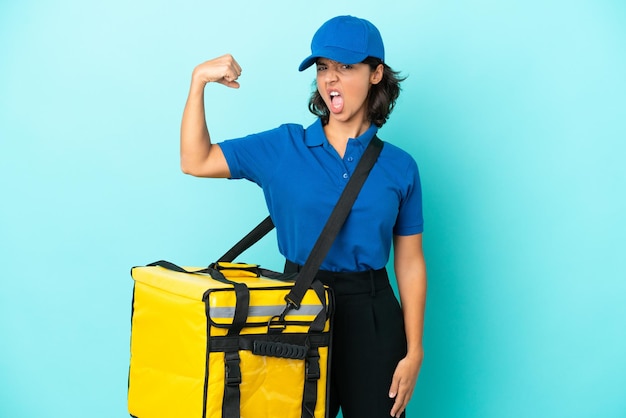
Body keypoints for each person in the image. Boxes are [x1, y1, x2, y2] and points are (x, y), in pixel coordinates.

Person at [180, 15, 426, 418]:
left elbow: (411, 262)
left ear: (376, 73)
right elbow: (196, 159)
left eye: (346, 67)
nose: (331, 79)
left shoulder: (400, 167)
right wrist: (197, 82)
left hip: (374, 315)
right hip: (298, 309)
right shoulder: (283, 146)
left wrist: (414, 351)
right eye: (323, 67)